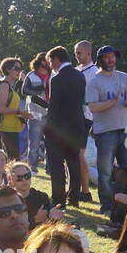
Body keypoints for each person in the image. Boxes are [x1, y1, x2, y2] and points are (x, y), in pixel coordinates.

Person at [86, 45, 127, 212]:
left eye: (113, 56)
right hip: (105, 132)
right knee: (105, 171)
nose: (111, 60)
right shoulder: (94, 81)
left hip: (126, 129)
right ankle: (106, 205)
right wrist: (112, 102)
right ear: (100, 60)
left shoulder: (124, 77)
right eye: (107, 57)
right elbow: (92, 107)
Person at [44, 46, 88, 207]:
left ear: (57, 59)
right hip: (77, 124)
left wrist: (48, 128)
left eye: (50, 61)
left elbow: (54, 107)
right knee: (74, 163)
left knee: (57, 165)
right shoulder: (80, 76)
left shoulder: (57, 79)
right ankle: (74, 197)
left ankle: (59, 198)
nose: (50, 64)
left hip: (59, 129)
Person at [6, 160, 61, 227]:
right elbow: (10, 230)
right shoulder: (8, 202)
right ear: (11, 180)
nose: (24, 180)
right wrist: (34, 220)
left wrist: (54, 217)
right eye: (19, 177)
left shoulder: (41, 197)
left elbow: (50, 224)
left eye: (27, 176)